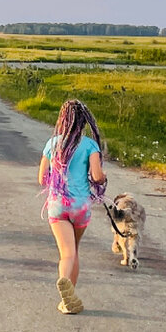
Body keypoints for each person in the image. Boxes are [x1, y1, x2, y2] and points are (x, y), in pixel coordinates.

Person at [38, 98, 106, 314]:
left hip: (58, 205)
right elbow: (96, 176)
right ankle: (69, 295)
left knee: (66, 253)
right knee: (74, 251)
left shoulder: (52, 143)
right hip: (80, 206)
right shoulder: (89, 145)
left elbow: (42, 178)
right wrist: (103, 178)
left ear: (62, 119)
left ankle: (64, 283)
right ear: (84, 122)